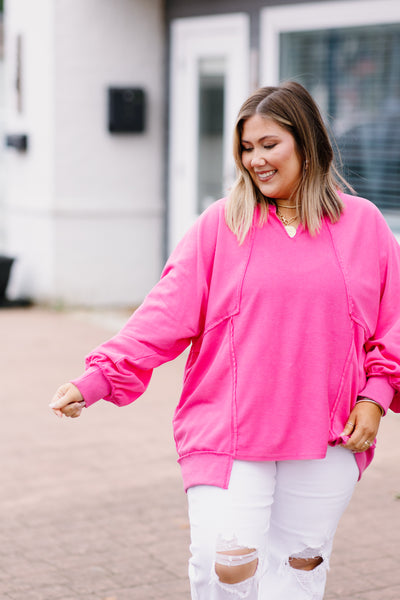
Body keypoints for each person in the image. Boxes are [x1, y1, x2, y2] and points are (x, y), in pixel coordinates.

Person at [49, 81, 400, 600]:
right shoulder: (221, 225)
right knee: (226, 566)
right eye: (246, 147)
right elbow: (164, 313)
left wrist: (375, 398)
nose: (255, 159)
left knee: (301, 569)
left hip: (327, 434)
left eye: (269, 144)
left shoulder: (363, 225)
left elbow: (391, 326)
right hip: (231, 430)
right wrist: (98, 377)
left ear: (307, 142)